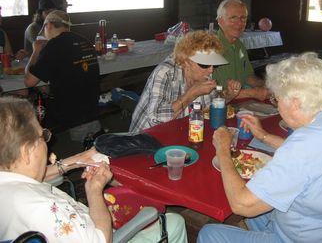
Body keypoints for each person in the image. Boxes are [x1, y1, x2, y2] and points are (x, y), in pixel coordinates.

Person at [198, 52, 322, 243]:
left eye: (277, 100)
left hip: (314, 235)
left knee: (209, 233)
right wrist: (264, 136)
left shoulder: (307, 143)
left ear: (296, 103)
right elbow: (316, 161)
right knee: (262, 210)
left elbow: (241, 204)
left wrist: (223, 149)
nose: (277, 106)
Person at [0, 96, 188, 243]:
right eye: (43, 136)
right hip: (100, 233)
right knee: (174, 223)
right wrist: (94, 191)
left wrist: (76, 160)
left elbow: (27, 178)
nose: (47, 143)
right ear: (26, 152)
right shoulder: (42, 208)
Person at [129, 30, 241, 134]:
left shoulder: (205, 73)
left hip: (177, 131)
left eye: (214, 64)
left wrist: (229, 95)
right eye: (205, 64)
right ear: (186, 61)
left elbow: (209, 106)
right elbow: (155, 119)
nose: (211, 70)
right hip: (145, 137)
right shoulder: (165, 72)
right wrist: (191, 94)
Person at [24, 10, 101, 147]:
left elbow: (29, 81)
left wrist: (36, 51)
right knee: (44, 87)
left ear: (49, 25)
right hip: (93, 104)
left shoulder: (54, 46)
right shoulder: (85, 41)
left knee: (34, 102)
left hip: (70, 109)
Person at [212, 0, 270, 101]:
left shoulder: (239, 45)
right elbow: (210, 94)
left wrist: (267, 85)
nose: (239, 23)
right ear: (220, 21)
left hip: (239, 104)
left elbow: (247, 76)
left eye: (243, 18)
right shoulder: (211, 48)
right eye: (233, 18)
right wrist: (251, 93)